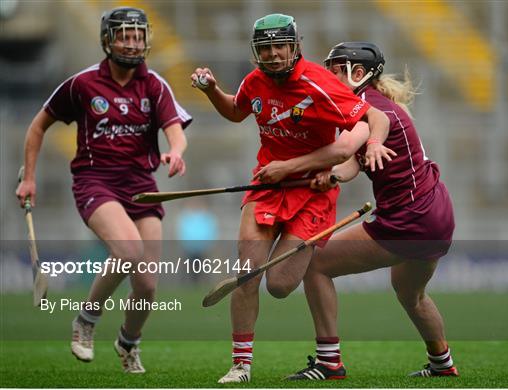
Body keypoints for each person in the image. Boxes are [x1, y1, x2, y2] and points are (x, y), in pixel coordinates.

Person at [191, 15, 391, 383]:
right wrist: (211, 92)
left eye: (278, 46)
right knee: (247, 274)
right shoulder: (255, 81)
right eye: (264, 48)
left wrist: (373, 144)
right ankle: (241, 365)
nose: (271, 55)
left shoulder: (320, 83)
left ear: (294, 46)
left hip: (313, 194)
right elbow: (237, 111)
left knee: (280, 285)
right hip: (266, 187)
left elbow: (374, 118)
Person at [256, 42, 458, 380]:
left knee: (316, 264)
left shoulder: (367, 108)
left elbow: (345, 151)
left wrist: (296, 169)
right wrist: (332, 176)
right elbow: (352, 162)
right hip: (437, 214)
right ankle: (442, 363)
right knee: (411, 293)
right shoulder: (376, 106)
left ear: (358, 73)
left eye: (335, 69)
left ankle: (329, 362)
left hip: (408, 220)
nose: (326, 76)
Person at [15, 7, 192, 373]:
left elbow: (175, 128)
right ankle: (86, 321)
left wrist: (175, 151)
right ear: (107, 40)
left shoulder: (154, 84)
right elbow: (38, 127)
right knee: (128, 250)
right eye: (124, 36)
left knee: (147, 285)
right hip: (95, 181)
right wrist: (29, 177)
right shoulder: (82, 84)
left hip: (142, 185)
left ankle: (128, 342)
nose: (132, 43)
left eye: (137, 36)